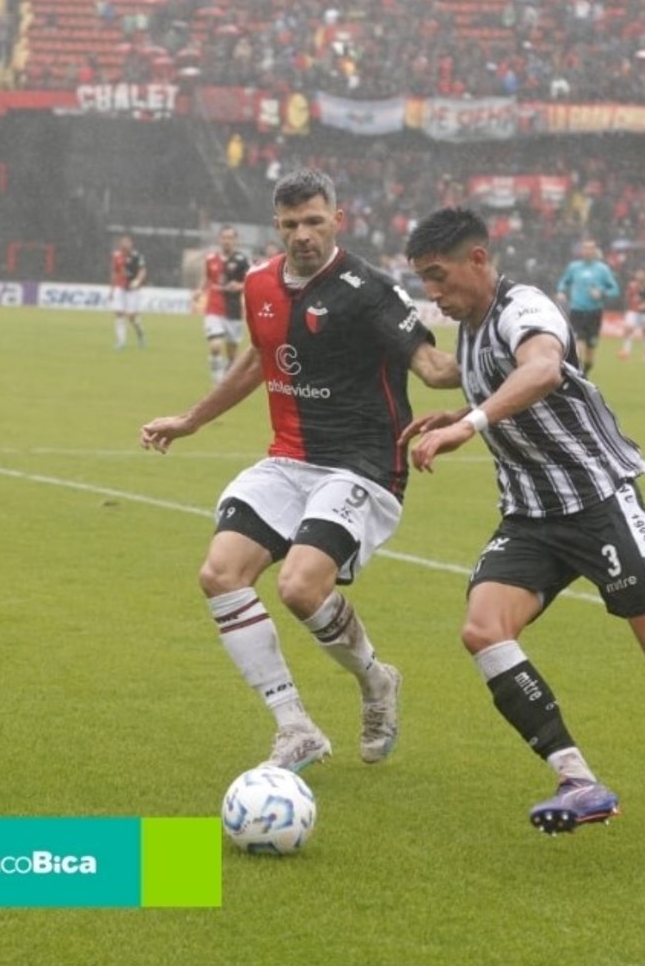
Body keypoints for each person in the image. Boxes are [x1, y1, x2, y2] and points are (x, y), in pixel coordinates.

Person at [400, 208, 645, 835]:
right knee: (483, 630)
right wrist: (458, 412)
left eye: (438, 277)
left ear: (477, 260)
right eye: (423, 280)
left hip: (599, 504)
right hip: (531, 514)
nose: (432, 293)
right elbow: (489, 383)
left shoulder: (522, 307)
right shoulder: (468, 327)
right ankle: (579, 780)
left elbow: (542, 369)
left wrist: (470, 427)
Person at [139, 169, 459, 772]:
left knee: (298, 587)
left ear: (338, 219)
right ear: (276, 226)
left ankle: (375, 680)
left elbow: (435, 368)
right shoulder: (258, 282)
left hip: (364, 465)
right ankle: (295, 726)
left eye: (314, 221)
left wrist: (519, 356)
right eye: (290, 225)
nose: (302, 235)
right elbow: (257, 361)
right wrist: (191, 420)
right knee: (220, 573)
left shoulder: (370, 290)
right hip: (289, 460)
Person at [196, 224, 250, 384]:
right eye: (224, 237)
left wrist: (239, 286)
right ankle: (217, 380)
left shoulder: (241, 260)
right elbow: (207, 278)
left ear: (235, 240)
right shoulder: (211, 259)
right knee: (215, 345)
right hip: (214, 307)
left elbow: (250, 281)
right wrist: (199, 290)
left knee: (232, 355)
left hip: (233, 310)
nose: (227, 241)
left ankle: (226, 376)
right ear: (219, 239)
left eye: (230, 238)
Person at [555, 239, 619, 374]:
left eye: (590, 248)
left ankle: (585, 370)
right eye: (585, 248)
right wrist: (561, 291)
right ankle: (577, 371)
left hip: (594, 313)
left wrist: (601, 293)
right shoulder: (574, 267)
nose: (587, 251)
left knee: (591, 349)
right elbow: (563, 282)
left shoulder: (603, 269)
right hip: (577, 311)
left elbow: (615, 290)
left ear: (595, 251)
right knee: (579, 342)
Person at [110, 234, 147, 349]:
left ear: (131, 244)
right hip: (120, 287)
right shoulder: (116, 256)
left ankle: (141, 334)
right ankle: (121, 342)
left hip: (132, 289)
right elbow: (114, 272)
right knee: (119, 313)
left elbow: (142, 271)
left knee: (132, 316)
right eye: (123, 242)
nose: (125, 244)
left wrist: (137, 281)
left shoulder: (137, 256)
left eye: (127, 242)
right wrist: (111, 289)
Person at [619, 267, 645, 361]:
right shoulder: (631, 285)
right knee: (629, 330)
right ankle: (625, 352)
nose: (639, 275)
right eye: (638, 273)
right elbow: (628, 297)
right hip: (633, 311)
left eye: (642, 274)